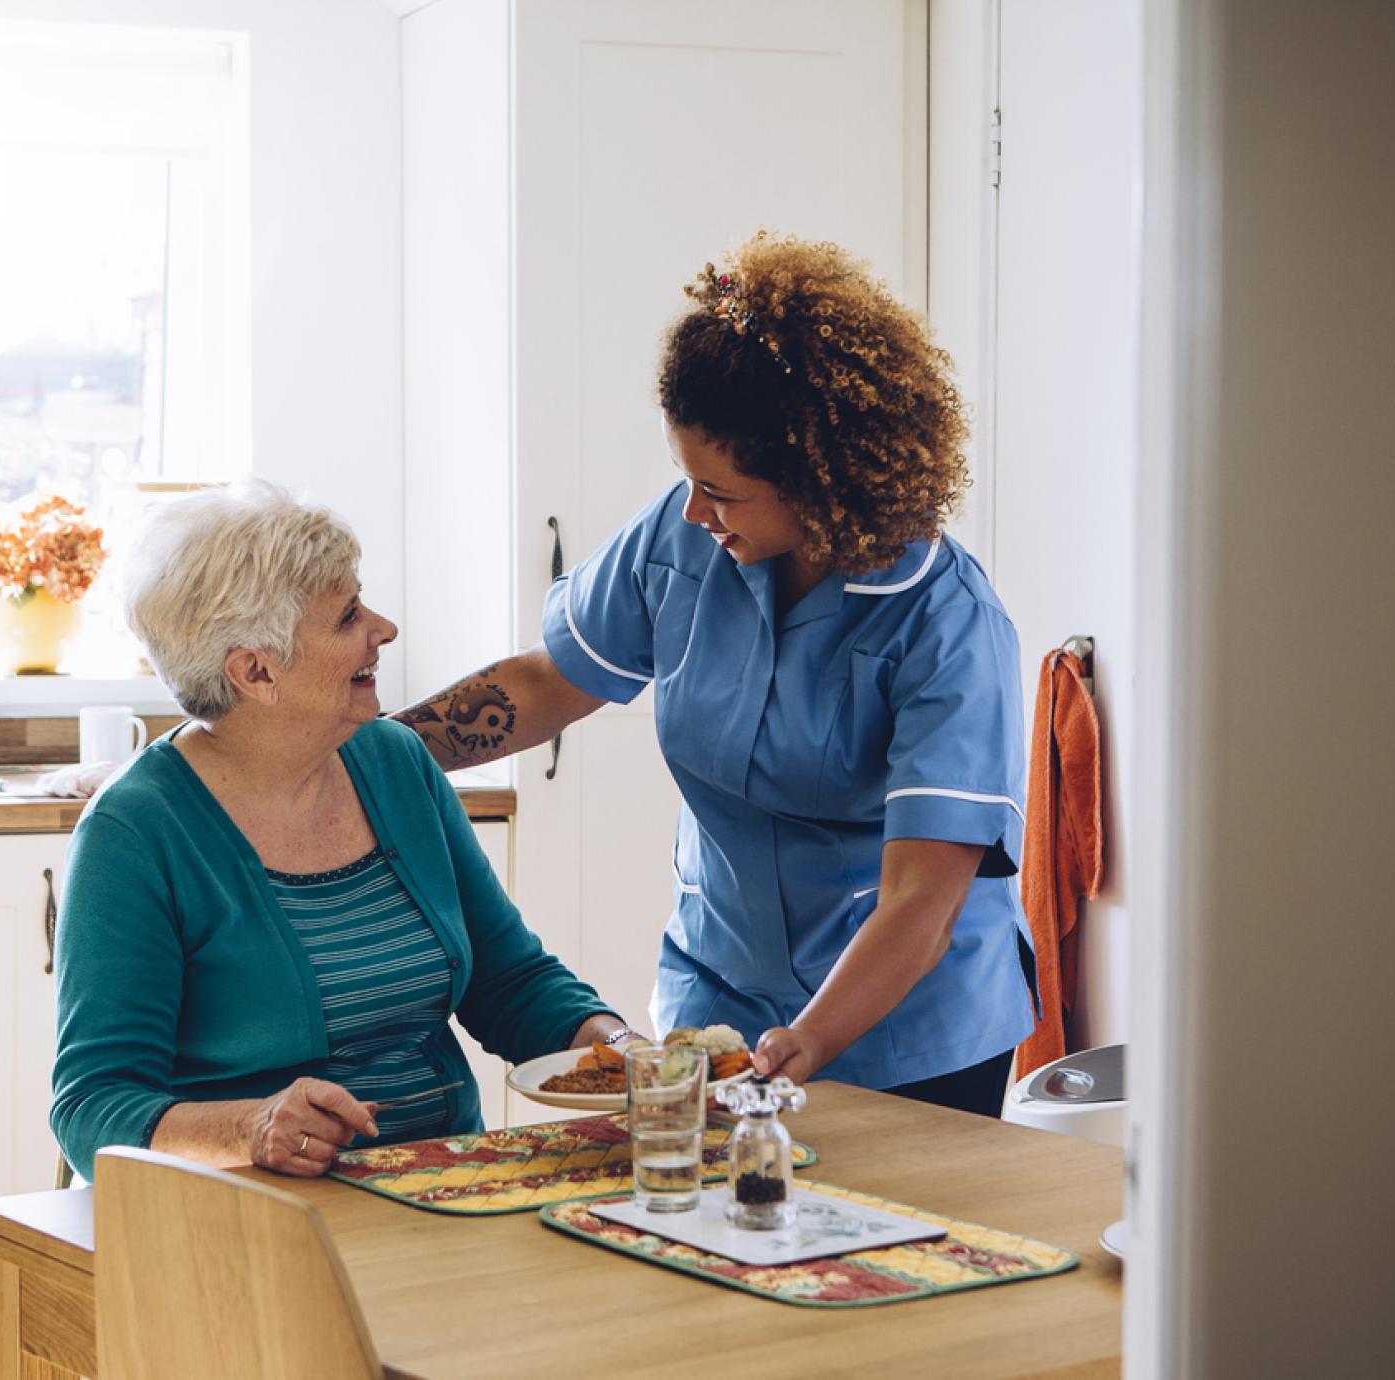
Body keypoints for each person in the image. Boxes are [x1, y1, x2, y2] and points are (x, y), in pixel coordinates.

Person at [396, 232, 1036, 1116]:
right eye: (686, 479)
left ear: (821, 479)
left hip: (906, 1033)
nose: (695, 510)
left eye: (724, 492)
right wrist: (373, 755)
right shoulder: (686, 534)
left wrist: (811, 1039)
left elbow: (923, 900)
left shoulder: (947, 624)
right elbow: (547, 683)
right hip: (721, 1001)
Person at [50, 481, 628, 1181]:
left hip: (441, 1188)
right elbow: (93, 1106)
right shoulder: (135, 832)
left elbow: (509, 983)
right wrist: (254, 1127)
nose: (383, 629)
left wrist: (617, 1046)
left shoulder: (396, 763)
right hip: (250, 1218)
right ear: (256, 671)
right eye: (348, 615)